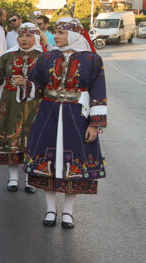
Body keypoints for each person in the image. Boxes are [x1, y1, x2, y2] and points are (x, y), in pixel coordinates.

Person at [18, 18, 105, 229]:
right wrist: (25, 85)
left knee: (72, 165)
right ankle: (50, 209)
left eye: (60, 33)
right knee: (47, 164)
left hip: (77, 117)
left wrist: (94, 124)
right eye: (55, 32)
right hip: (48, 114)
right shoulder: (47, 57)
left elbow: (98, 92)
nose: (55, 36)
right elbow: (36, 86)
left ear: (74, 36)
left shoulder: (92, 60)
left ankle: (68, 212)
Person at [0, 22, 44, 193]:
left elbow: (48, 83)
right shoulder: (9, 55)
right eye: (21, 36)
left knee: (32, 140)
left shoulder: (45, 57)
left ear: (35, 37)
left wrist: (27, 83)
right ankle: (13, 179)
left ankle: (30, 180)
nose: (23, 39)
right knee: (11, 139)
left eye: (28, 36)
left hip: (35, 105)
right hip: (11, 104)